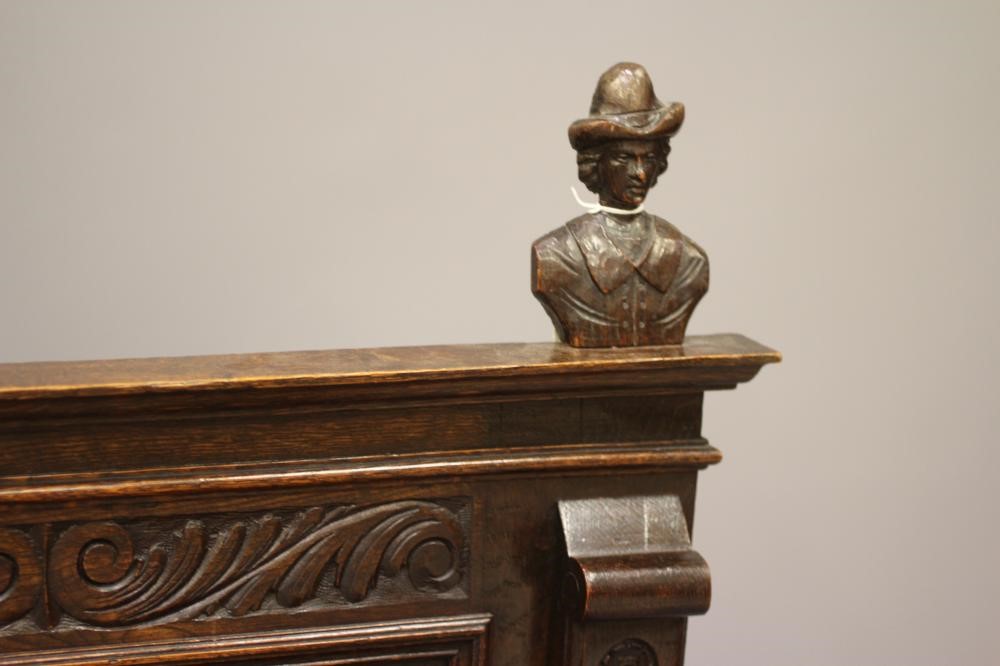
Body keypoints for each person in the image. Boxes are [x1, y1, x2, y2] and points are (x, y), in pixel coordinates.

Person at [531, 63, 709, 347]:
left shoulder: (688, 260)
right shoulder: (556, 257)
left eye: (648, 158)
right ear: (595, 162)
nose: (639, 172)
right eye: (624, 158)